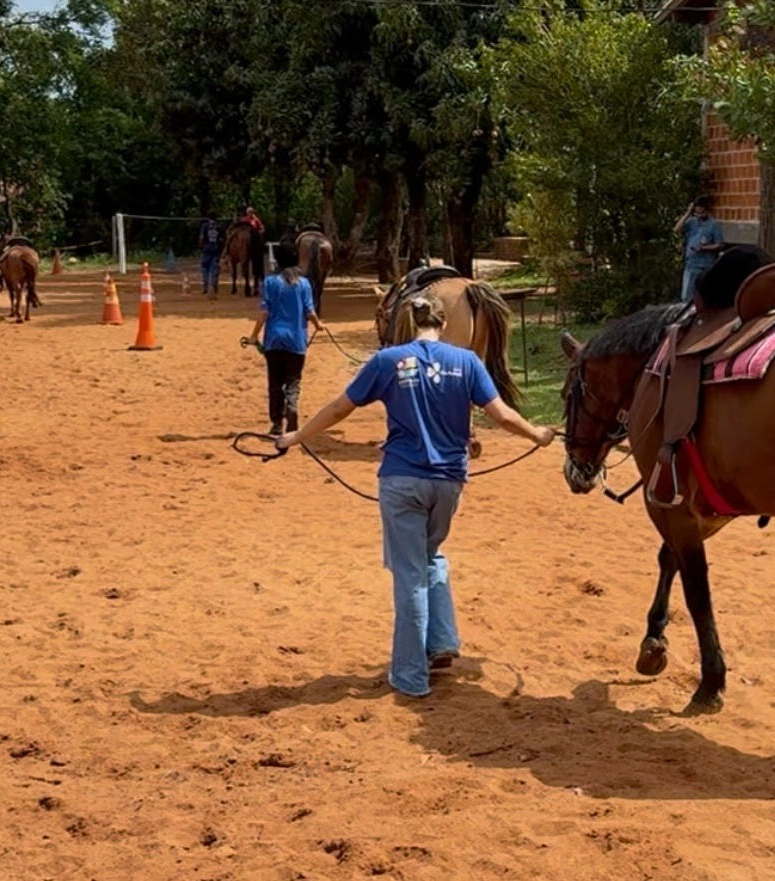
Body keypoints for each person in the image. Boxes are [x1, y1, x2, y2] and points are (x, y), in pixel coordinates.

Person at [275, 296, 556, 698]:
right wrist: (538, 435)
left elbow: (340, 408)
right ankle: (441, 642)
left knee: (409, 574)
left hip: (403, 479)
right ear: (443, 324)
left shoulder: (387, 361)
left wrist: (295, 437)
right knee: (430, 553)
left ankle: (409, 675)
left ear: (407, 322)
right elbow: (502, 415)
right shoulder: (467, 362)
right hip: (449, 482)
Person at [248, 242, 324, 436]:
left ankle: (276, 424)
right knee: (293, 380)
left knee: (274, 383)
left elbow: (264, 313)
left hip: (273, 340)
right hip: (296, 341)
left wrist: (253, 336)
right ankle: (292, 407)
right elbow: (309, 311)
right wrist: (318, 325)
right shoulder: (304, 283)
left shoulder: (270, 282)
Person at [673, 195, 725, 304]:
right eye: (697, 213)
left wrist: (704, 248)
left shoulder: (713, 225)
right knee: (686, 297)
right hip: (691, 264)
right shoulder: (692, 222)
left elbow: (720, 245)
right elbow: (676, 229)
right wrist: (687, 213)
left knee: (702, 297)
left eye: (701, 213)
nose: (699, 216)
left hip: (705, 265)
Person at [198, 213, 222, 296]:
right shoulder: (219, 227)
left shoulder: (205, 226)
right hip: (216, 249)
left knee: (205, 267)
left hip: (207, 249)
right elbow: (222, 239)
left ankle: (205, 286)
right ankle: (214, 285)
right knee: (215, 268)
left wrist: (201, 247)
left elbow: (201, 238)